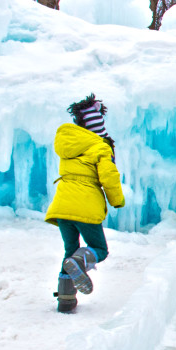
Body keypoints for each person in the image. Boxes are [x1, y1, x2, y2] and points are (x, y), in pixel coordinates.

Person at [45, 94, 126, 312]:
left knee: (70, 250)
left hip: (62, 205)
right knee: (99, 248)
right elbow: (109, 176)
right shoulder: (100, 147)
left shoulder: (69, 145)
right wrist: (116, 200)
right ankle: (81, 262)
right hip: (85, 205)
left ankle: (65, 300)